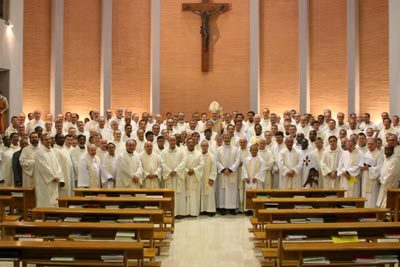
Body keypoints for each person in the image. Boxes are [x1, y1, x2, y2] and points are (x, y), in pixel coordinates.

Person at [34, 134, 63, 207]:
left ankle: (55, 215)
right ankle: (45, 215)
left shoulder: (53, 151)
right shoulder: (39, 152)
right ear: (42, 141)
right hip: (45, 181)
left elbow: (58, 165)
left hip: (55, 180)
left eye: (49, 139)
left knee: (55, 199)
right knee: (46, 200)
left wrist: (58, 176)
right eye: (46, 139)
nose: (48, 141)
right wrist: (53, 177)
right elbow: (43, 167)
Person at [161, 136, 187, 218]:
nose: (172, 142)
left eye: (173, 140)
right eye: (170, 140)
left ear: (176, 141)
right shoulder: (163, 152)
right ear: (168, 141)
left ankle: (178, 212)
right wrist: (169, 171)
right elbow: (162, 163)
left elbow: (184, 162)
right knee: (169, 195)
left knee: (179, 195)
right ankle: (169, 212)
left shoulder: (181, 151)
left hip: (177, 176)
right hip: (169, 176)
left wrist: (176, 170)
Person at [216, 133, 240, 215]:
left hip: (231, 173)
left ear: (230, 138)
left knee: (232, 191)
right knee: (222, 190)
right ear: (223, 139)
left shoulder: (236, 149)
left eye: (228, 137)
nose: (227, 139)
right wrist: (223, 169)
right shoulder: (219, 149)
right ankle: (222, 207)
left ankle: (232, 208)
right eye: (225, 137)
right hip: (223, 173)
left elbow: (237, 160)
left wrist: (230, 169)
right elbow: (217, 161)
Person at [241, 144, 266, 215]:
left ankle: (257, 209)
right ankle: (249, 210)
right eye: (252, 150)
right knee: (249, 195)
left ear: (257, 150)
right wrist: (246, 177)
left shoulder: (261, 160)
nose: (254, 151)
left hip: (257, 181)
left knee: (257, 195)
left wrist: (257, 177)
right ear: (250, 150)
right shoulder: (246, 159)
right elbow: (243, 169)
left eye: (255, 150)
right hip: (248, 181)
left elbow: (262, 169)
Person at [359, 138, 384, 208]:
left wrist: (369, 168)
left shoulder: (379, 154)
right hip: (365, 178)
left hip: (373, 180)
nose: (369, 145)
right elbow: (361, 163)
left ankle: (372, 213)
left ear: (376, 144)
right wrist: (361, 167)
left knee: (372, 196)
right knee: (364, 194)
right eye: (368, 144)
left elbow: (380, 168)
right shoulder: (366, 153)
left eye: (371, 144)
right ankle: (364, 211)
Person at [185, 138, 204, 217]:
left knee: (194, 194)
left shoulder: (199, 154)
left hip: (195, 177)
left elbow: (202, 164)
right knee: (186, 194)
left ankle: (194, 212)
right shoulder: (183, 153)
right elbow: (181, 164)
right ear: (186, 144)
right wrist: (187, 171)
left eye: (192, 142)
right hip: (186, 177)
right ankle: (186, 212)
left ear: (195, 143)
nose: (190, 144)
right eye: (189, 142)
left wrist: (194, 170)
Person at [200, 140, 217, 216]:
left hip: (208, 178)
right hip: (200, 178)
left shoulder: (211, 156)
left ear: (208, 146)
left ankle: (210, 210)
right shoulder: (199, 155)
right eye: (203, 146)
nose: (204, 147)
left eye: (205, 146)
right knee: (202, 194)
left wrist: (212, 178)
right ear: (201, 146)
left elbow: (214, 168)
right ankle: (202, 209)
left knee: (209, 194)